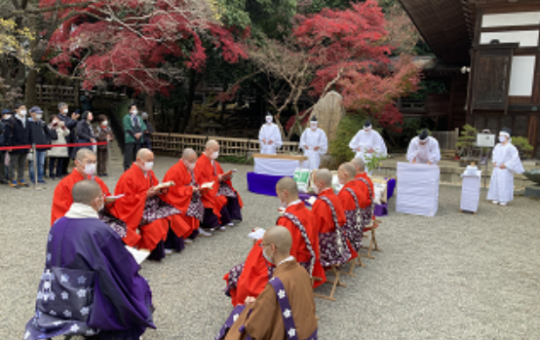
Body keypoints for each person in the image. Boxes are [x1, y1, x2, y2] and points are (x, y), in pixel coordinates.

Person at [24, 180, 155, 340]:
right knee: (137, 284)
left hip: (55, 293)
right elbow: (120, 265)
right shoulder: (100, 230)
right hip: (87, 298)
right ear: (96, 201)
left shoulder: (57, 224)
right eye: (101, 197)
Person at [223, 177, 324, 307]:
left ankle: (249, 304)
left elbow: (279, 250)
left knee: (240, 271)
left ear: (285, 193)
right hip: (307, 262)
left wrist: (262, 240)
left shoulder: (287, 219)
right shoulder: (308, 212)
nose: (278, 198)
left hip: (289, 264)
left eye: (278, 194)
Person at [216, 226, 318, 340]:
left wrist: (251, 307)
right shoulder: (302, 271)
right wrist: (259, 302)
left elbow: (256, 328)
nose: (262, 248)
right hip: (307, 331)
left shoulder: (276, 283)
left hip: (287, 335)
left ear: (272, 248)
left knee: (238, 317)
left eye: (263, 245)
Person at [115, 148, 189, 260]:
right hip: (136, 209)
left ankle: (170, 245)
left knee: (173, 213)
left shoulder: (149, 173)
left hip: (151, 204)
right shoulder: (128, 176)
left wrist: (160, 189)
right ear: (139, 160)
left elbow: (155, 185)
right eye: (149, 160)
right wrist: (145, 195)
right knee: (156, 222)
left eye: (152, 159)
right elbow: (124, 200)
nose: (151, 163)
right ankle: (153, 251)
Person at [51, 149, 126, 238]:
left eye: (94, 162)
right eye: (89, 162)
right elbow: (61, 212)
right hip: (78, 222)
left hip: (98, 218)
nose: (92, 165)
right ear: (77, 163)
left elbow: (107, 197)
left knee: (123, 231)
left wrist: (107, 202)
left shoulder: (97, 181)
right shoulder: (64, 185)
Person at [162, 148, 212, 243]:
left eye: (195, 160)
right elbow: (172, 189)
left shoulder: (191, 167)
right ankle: (186, 234)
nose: (194, 162)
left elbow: (199, 179)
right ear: (183, 159)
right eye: (191, 161)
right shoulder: (174, 170)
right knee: (190, 206)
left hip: (188, 194)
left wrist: (202, 186)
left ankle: (195, 229)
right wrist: (189, 189)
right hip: (176, 198)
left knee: (198, 201)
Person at [311, 169, 355, 268]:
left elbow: (315, 228)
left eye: (314, 182)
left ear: (321, 183)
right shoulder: (335, 197)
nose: (312, 185)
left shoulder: (320, 203)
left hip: (326, 249)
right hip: (339, 244)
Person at [195, 140, 229, 231]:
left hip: (214, 187)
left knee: (223, 197)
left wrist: (223, 176)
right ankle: (212, 224)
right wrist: (216, 179)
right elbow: (200, 179)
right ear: (208, 149)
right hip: (206, 189)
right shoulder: (200, 162)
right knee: (214, 200)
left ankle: (220, 221)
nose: (217, 153)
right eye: (215, 150)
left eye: (218, 150)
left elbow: (216, 174)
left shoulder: (213, 162)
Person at [337, 163, 370, 253]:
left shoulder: (345, 194)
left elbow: (340, 218)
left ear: (345, 175)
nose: (337, 175)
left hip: (347, 235)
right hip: (357, 232)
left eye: (338, 172)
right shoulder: (358, 190)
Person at [487, 127, 525, 206]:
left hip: (505, 169)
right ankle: (495, 197)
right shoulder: (497, 146)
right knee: (495, 182)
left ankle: (504, 199)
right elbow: (494, 154)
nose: (499, 137)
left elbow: (515, 158)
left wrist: (506, 165)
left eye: (501, 135)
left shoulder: (511, 147)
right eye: (499, 135)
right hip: (497, 168)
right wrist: (494, 161)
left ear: (506, 136)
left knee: (504, 184)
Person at [3, 103, 31, 188]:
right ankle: (12, 179)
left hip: (25, 145)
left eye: (25, 108)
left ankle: (20, 178)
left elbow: (28, 133)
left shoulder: (26, 120)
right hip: (15, 145)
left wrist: (29, 144)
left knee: (22, 164)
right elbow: (7, 135)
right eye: (22, 108)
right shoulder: (11, 120)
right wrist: (8, 145)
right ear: (16, 110)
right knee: (13, 164)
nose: (24, 110)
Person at [28, 106, 56, 184]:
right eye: (37, 113)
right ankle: (33, 178)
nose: (39, 114)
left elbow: (49, 133)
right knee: (33, 163)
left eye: (40, 113)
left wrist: (46, 141)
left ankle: (40, 177)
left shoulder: (42, 123)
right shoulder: (28, 123)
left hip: (42, 146)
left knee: (41, 164)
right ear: (32, 113)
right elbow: (26, 135)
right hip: (33, 146)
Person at [215, 159, 243, 226]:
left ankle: (235, 216)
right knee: (221, 198)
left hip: (219, 185)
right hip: (212, 187)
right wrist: (216, 178)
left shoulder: (215, 163)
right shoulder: (201, 163)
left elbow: (221, 174)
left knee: (233, 193)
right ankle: (225, 220)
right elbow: (203, 179)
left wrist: (225, 176)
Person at [57, 102, 80, 175]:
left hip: (70, 138)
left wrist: (74, 120)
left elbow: (73, 124)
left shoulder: (67, 117)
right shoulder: (58, 117)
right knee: (62, 156)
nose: (66, 109)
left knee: (68, 156)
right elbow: (66, 126)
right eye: (65, 108)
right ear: (60, 109)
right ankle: (59, 171)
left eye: (67, 108)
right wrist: (73, 119)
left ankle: (64, 170)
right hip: (63, 138)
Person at [123, 103, 145, 170]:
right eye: (133, 109)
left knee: (137, 153)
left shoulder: (139, 118)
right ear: (130, 110)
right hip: (130, 138)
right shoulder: (126, 117)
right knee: (128, 153)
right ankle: (127, 167)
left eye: (136, 109)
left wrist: (140, 133)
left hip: (139, 138)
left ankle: (136, 167)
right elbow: (127, 127)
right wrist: (134, 134)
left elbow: (143, 126)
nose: (135, 110)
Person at [47, 115, 70, 180]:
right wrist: (53, 126)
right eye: (54, 119)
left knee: (60, 161)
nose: (56, 120)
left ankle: (58, 174)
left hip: (61, 146)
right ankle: (51, 174)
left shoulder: (61, 127)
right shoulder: (49, 126)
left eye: (57, 119)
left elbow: (67, 133)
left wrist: (63, 127)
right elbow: (48, 133)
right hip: (53, 146)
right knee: (52, 161)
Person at [0, 109, 11, 184]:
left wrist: (7, 144)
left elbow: (7, 136)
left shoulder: (4, 125)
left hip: (2, 145)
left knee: (2, 163)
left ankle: (2, 177)